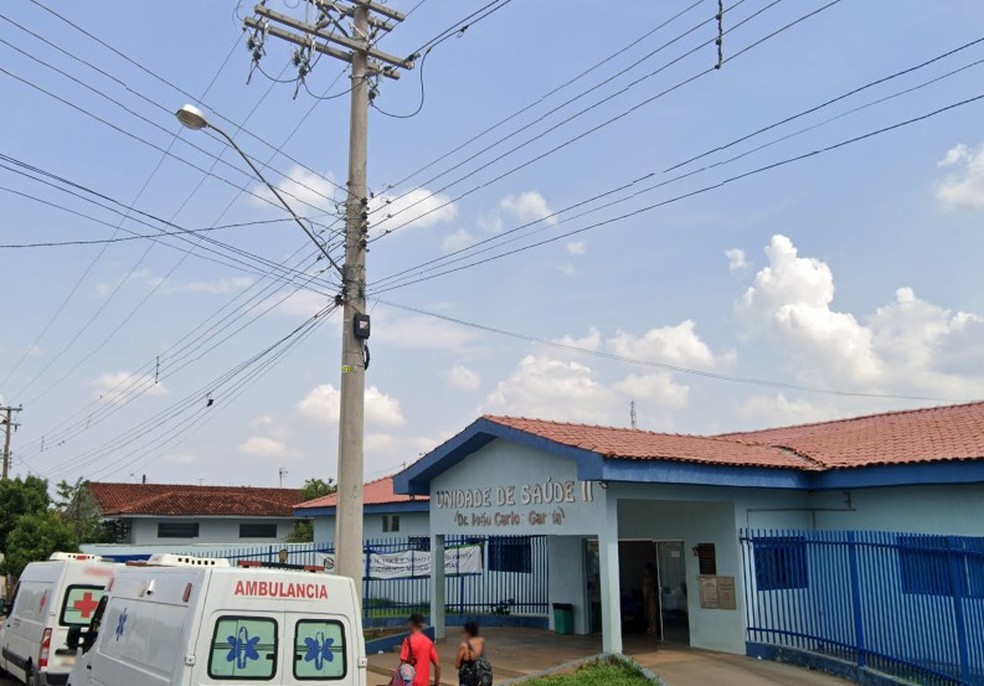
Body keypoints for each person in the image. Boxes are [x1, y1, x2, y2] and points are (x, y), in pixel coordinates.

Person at [400, 614, 441, 686]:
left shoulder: (407, 641)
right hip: (424, 683)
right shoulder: (428, 642)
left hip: (409, 683)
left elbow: (403, 665)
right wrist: (436, 684)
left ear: (411, 623)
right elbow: (438, 666)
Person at [455, 621, 487, 686]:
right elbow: (483, 657)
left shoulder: (464, 646)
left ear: (468, 633)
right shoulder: (481, 641)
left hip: (466, 677)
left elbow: (457, 665)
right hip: (479, 675)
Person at [642, 562, 660, 636]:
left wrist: (646, 598)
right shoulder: (649, 578)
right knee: (650, 614)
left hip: (651, 598)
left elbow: (648, 589)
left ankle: (653, 628)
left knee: (652, 613)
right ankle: (651, 627)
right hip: (650, 598)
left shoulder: (650, 578)